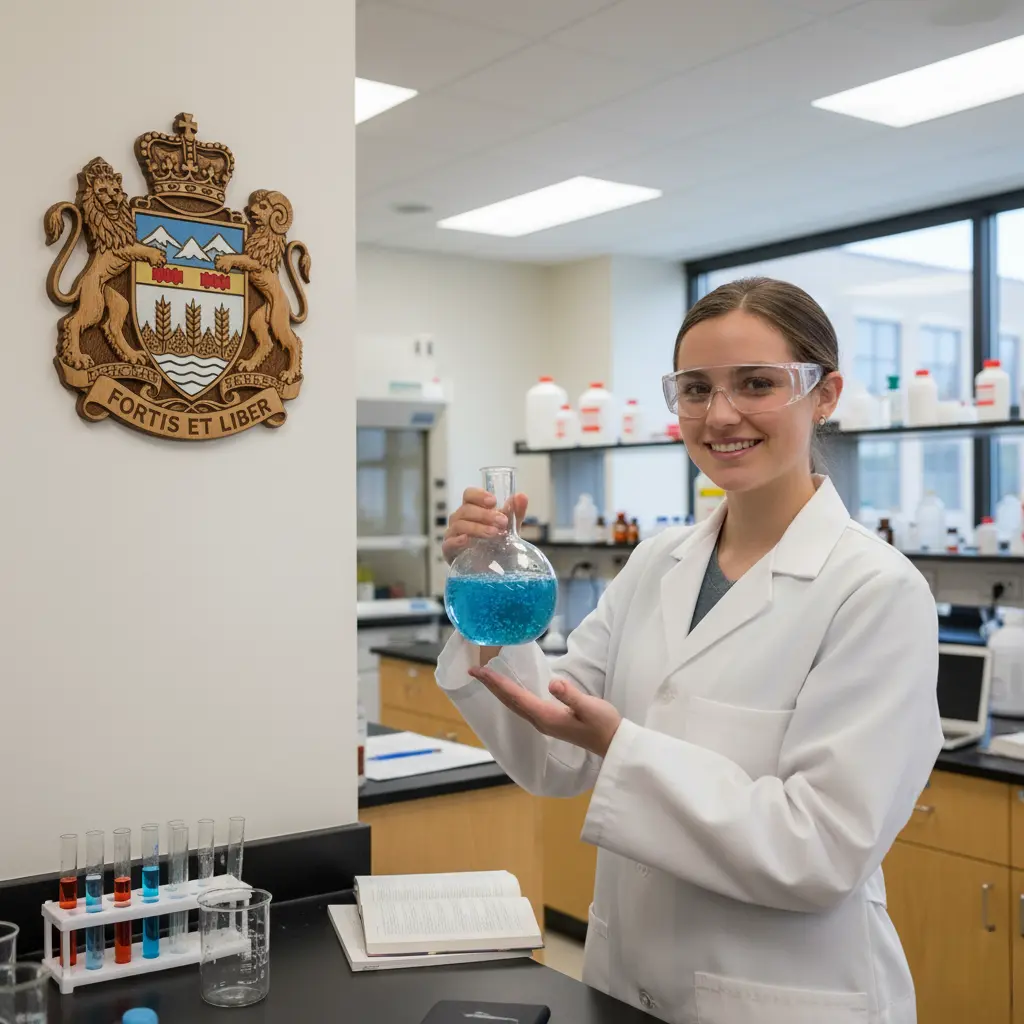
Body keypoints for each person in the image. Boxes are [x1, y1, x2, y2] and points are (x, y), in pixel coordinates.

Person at [437, 277, 940, 1024]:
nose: (721, 414)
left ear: (826, 393)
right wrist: (488, 596)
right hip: (624, 981)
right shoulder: (659, 560)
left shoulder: (874, 590)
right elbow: (555, 754)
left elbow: (824, 848)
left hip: (782, 997)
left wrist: (625, 747)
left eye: (757, 384)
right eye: (696, 389)